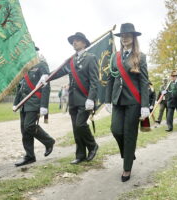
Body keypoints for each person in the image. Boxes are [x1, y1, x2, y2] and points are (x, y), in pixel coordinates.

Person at [40, 32, 99, 164]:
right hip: (73, 99)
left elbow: (95, 81)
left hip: (85, 99)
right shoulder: (71, 61)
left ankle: (93, 145)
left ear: (84, 43)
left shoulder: (91, 58)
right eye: (73, 41)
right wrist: (47, 76)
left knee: (80, 124)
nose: (74, 42)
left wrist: (91, 98)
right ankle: (80, 154)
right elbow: (59, 72)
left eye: (77, 40)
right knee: (75, 128)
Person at [105, 23, 150, 182]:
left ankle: (127, 168)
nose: (125, 38)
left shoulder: (140, 56)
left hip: (133, 101)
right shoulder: (114, 57)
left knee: (130, 134)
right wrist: (107, 100)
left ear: (133, 38)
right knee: (116, 130)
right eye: (122, 36)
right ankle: (128, 154)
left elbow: (144, 82)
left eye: (128, 35)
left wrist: (145, 105)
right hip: (117, 100)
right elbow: (110, 79)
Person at [13, 47, 55, 167]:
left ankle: (49, 141)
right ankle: (29, 156)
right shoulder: (24, 68)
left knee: (29, 126)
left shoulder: (41, 65)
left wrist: (44, 105)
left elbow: (46, 85)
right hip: (24, 103)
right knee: (24, 130)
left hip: (35, 101)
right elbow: (20, 88)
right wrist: (16, 103)